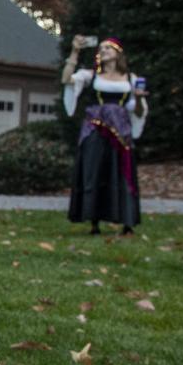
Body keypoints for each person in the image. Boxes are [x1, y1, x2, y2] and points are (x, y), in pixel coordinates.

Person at [62, 36, 147, 235]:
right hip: (96, 129)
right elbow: (66, 79)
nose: (104, 50)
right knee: (95, 171)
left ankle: (127, 222)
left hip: (120, 131)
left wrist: (141, 100)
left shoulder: (131, 79)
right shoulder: (91, 76)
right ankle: (94, 222)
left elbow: (139, 111)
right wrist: (74, 52)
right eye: (101, 48)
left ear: (118, 53)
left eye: (109, 48)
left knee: (122, 172)